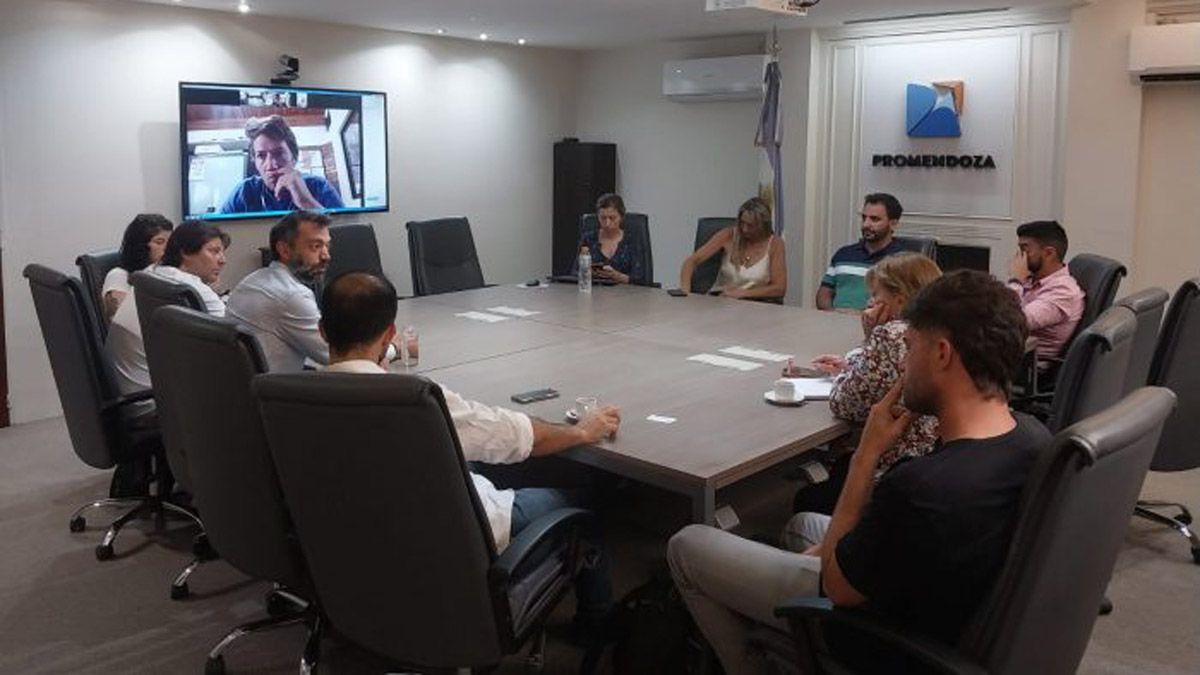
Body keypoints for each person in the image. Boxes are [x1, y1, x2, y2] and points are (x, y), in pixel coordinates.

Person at [669, 270, 1050, 674]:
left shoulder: (921, 487)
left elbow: (834, 583)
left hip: (875, 638)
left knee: (687, 545)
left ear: (942, 354)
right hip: (945, 602)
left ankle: (758, 664)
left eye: (909, 347)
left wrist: (866, 454)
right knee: (801, 526)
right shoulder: (1032, 438)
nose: (904, 363)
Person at [319, 271, 620, 626]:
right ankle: (596, 623)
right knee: (587, 502)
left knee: (478, 463)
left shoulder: (288, 397)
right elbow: (522, 437)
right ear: (389, 335)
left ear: (322, 330)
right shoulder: (415, 402)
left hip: (361, 543)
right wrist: (582, 432)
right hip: (461, 539)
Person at [791, 252, 943, 515]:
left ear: (900, 298)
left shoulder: (891, 334)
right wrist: (853, 364)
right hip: (934, 461)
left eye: (876, 295)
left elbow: (844, 404)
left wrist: (870, 339)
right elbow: (890, 375)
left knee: (808, 499)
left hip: (892, 471)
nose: (870, 302)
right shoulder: (939, 328)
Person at [106, 221, 229, 394]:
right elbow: (237, 343)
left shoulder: (151, 272)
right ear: (185, 252)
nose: (223, 260)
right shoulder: (189, 287)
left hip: (133, 391)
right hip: (158, 403)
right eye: (214, 251)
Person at [227, 210, 335, 372]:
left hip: (245, 389)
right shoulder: (292, 296)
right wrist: (385, 348)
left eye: (327, 246)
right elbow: (337, 355)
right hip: (275, 393)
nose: (326, 256)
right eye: (316, 246)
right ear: (284, 250)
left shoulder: (251, 281)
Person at [219, 115, 345, 214]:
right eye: (261, 156)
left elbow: (345, 236)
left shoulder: (319, 186)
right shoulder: (244, 192)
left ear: (294, 157)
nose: (271, 165)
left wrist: (306, 202)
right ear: (255, 162)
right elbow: (214, 236)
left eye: (279, 153)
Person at [679, 197, 786, 300]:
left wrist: (744, 294)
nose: (744, 229)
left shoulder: (775, 244)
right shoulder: (728, 235)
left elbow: (779, 288)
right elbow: (691, 262)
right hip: (721, 301)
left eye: (750, 225)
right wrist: (686, 294)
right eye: (742, 223)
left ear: (763, 225)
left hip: (756, 306)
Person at [1007, 220, 1085, 362]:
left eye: (1025, 250)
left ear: (1049, 253)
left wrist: (1015, 281)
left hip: (1027, 369)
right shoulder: (1032, 279)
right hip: (1007, 355)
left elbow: (1010, 321)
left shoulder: (1063, 292)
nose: (1020, 257)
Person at [816, 193, 905, 311]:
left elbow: (906, 305)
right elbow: (824, 294)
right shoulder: (843, 254)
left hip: (875, 325)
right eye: (864, 218)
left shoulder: (903, 261)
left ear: (893, 224)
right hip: (834, 320)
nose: (866, 224)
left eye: (874, 219)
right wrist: (832, 312)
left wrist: (864, 316)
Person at [101, 214, 174, 321]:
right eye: (159, 242)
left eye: (170, 242)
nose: (168, 248)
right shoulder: (118, 276)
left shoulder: (169, 274)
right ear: (140, 246)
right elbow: (122, 323)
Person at [571, 193, 648, 285]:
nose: (607, 223)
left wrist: (616, 276)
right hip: (595, 294)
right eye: (603, 218)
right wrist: (590, 273)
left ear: (621, 217)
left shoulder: (632, 241)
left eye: (612, 218)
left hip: (626, 295)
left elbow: (640, 280)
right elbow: (574, 273)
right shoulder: (588, 239)